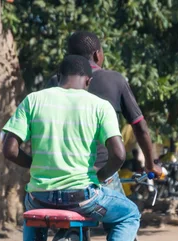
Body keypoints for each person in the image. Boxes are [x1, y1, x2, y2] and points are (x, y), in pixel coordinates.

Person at [2, 55, 141, 241]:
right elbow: (119, 154)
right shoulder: (98, 105)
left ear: (58, 76)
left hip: (41, 195)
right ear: (88, 80)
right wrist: (99, 178)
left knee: (32, 214)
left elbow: (9, 149)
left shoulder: (34, 100)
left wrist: (36, 166)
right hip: (83, 197)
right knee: (129, 214)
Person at [47, 31, 162, 190]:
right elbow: (140, 127)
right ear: (96, 55)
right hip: (99, 174)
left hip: (58, 175)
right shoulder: (114, 80)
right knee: (129, 215)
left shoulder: (54, 81)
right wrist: (151, 164)